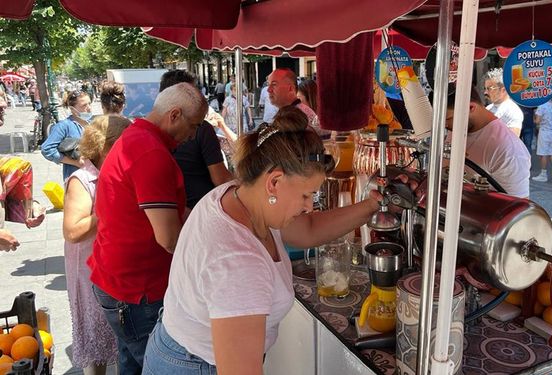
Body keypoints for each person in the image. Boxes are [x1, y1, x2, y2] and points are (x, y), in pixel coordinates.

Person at [142, 106, 381, 375]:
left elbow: (309, 229)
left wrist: (371, 205)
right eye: (306, 195)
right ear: (274, 182)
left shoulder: (239, 195)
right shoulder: (238, 264)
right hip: (195, 366)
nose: (309, 206)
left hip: (176, 350)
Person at [88, 82, 208, 374]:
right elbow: (169, 238)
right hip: (137, 289)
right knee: (157, 366)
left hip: (120, 281)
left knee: (131, 363)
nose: (193, 135)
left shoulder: (137, 137)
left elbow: (167, 209)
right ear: (175, 115)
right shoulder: (151, 151)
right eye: (193, 126)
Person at [62, 115, 131, 375]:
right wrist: (108, 208)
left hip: (112, 267)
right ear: (106, 146)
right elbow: (72, 231)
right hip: (88, 271)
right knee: (95, 340)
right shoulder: (82, 180)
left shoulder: (119, 173)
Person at [162, 69, 233, 209]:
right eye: (193, 95)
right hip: (202, 209)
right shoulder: (202, 129)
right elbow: (221, 179)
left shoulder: (150, 134)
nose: (191, 135)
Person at [445, 87, 531, 198]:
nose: (445, 125)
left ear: (471, 107)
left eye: (448, 119)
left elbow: (517, 208)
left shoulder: (509, 150)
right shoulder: (460, 126)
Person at [41, 90, 92, 181]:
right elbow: (47, 149)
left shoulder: (92, 123)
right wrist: (75, 162)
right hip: (77, 177)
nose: (89, 108)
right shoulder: (64, 126)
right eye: (84, 105)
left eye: (89, 103)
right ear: (72, 109)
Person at [268, 68, 328, 137]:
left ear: (290, 88)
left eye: (274, 84)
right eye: (268, 84)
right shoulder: (292, 111)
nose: (268, 89)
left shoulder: (300, 115)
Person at [483, 68, 524, 137]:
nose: (485, 92)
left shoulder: (512, 111)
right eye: (485, 88)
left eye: (489, 89)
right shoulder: (488, 108)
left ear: (503, 90)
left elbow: (512, 141)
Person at [532, 95, 552, 183]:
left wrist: (534, 118)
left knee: (543, 154)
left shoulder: (542, 106)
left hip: (544, 132)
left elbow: (537, 121)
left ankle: (543, 174)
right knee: (551, 152)